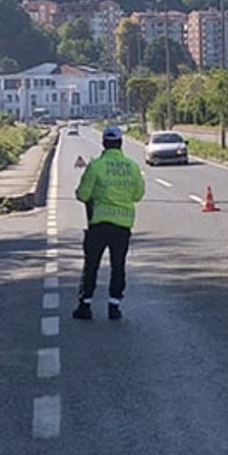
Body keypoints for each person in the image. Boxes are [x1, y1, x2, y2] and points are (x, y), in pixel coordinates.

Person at [73, 126, 145, 321]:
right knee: (118, 265)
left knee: (92, 265)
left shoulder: (96, 166)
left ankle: (85, 305)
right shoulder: (132, 166)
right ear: (121, 143)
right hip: (122, 226)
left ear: (103, 143)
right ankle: (114, 307)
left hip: (98, 225)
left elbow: (83, 195)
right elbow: (138, 195)